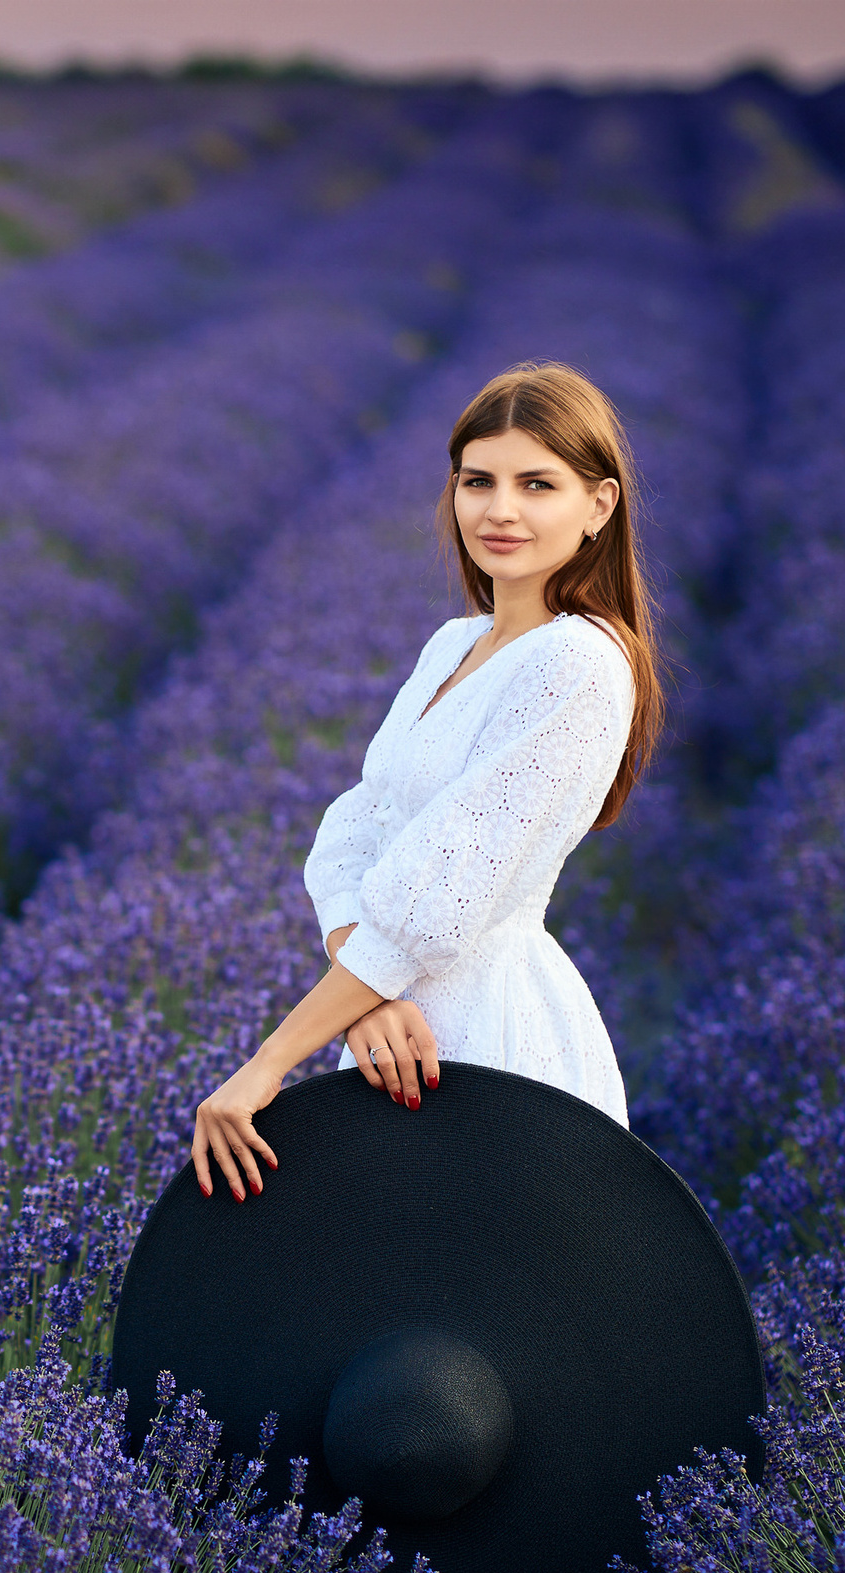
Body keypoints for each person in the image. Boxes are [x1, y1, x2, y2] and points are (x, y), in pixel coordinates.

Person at [190, 362, 666, 1202]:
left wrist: (266, 1066)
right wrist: (366, 997)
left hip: (490, 1045)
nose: (501, 509)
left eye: (537, 483)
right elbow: (351, 831)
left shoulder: (579, 664)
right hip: (386, 1032)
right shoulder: (454, 644)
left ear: (600, 505)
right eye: (478, 480)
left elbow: (439, 901)